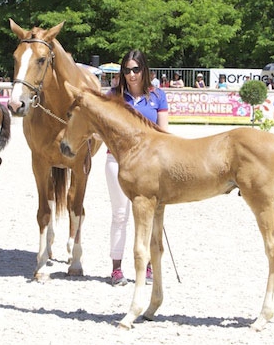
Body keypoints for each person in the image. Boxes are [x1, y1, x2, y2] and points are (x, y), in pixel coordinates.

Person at [107, 49, 169, 286]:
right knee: (120, 215)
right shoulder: (113, 96)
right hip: (117, 161)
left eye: (136, 69)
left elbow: (163, 133)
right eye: (127, 70)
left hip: (150, 166)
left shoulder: (158, 96)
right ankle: (116, 268)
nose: (131, 75)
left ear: (145, 70)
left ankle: (150, 266)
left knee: (151, 215)